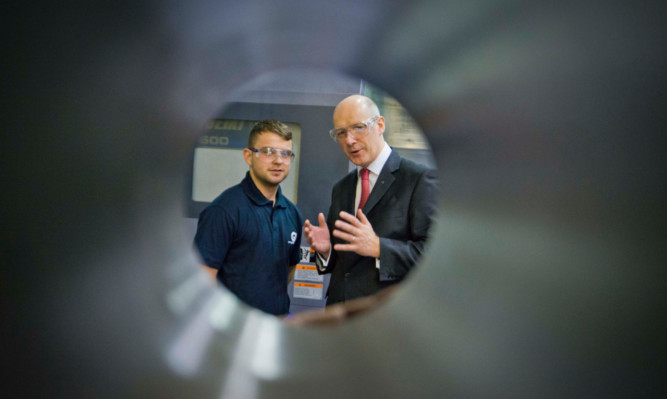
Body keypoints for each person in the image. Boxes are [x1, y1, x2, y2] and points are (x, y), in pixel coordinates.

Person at [304, 95, 437, 305]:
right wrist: (326, 250)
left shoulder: (418, 179)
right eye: (341, 133)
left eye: (358, 127)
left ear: (380, 125)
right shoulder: (342, 187)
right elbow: (343, 263)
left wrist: (378, 247)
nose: (349, 140)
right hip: (339, 315)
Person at [194, 120, 303, 316]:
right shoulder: (224, 210)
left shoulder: (292, 214)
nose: (278, 160)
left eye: (285, 153)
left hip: (277, 325)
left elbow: (288, 269)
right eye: (269, 151)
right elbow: (204, 278)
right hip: (234, 331)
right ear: (248, 156)